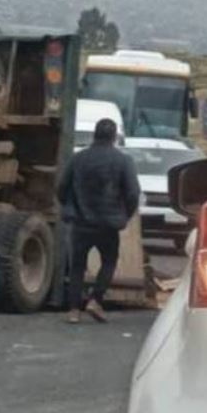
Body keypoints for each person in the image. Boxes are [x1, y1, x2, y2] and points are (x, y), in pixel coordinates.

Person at [57, 118, 140, 324]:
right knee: (109, 262)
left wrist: (70, 207)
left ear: (94, 135)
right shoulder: (123, 161)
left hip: (81, 221)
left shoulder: (78, 159)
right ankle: (96, 299)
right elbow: (132, 193)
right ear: (114, 137)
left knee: (77, 266)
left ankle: (74, 310)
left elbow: (61, 187)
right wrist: (125, 215)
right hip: (108, 224)